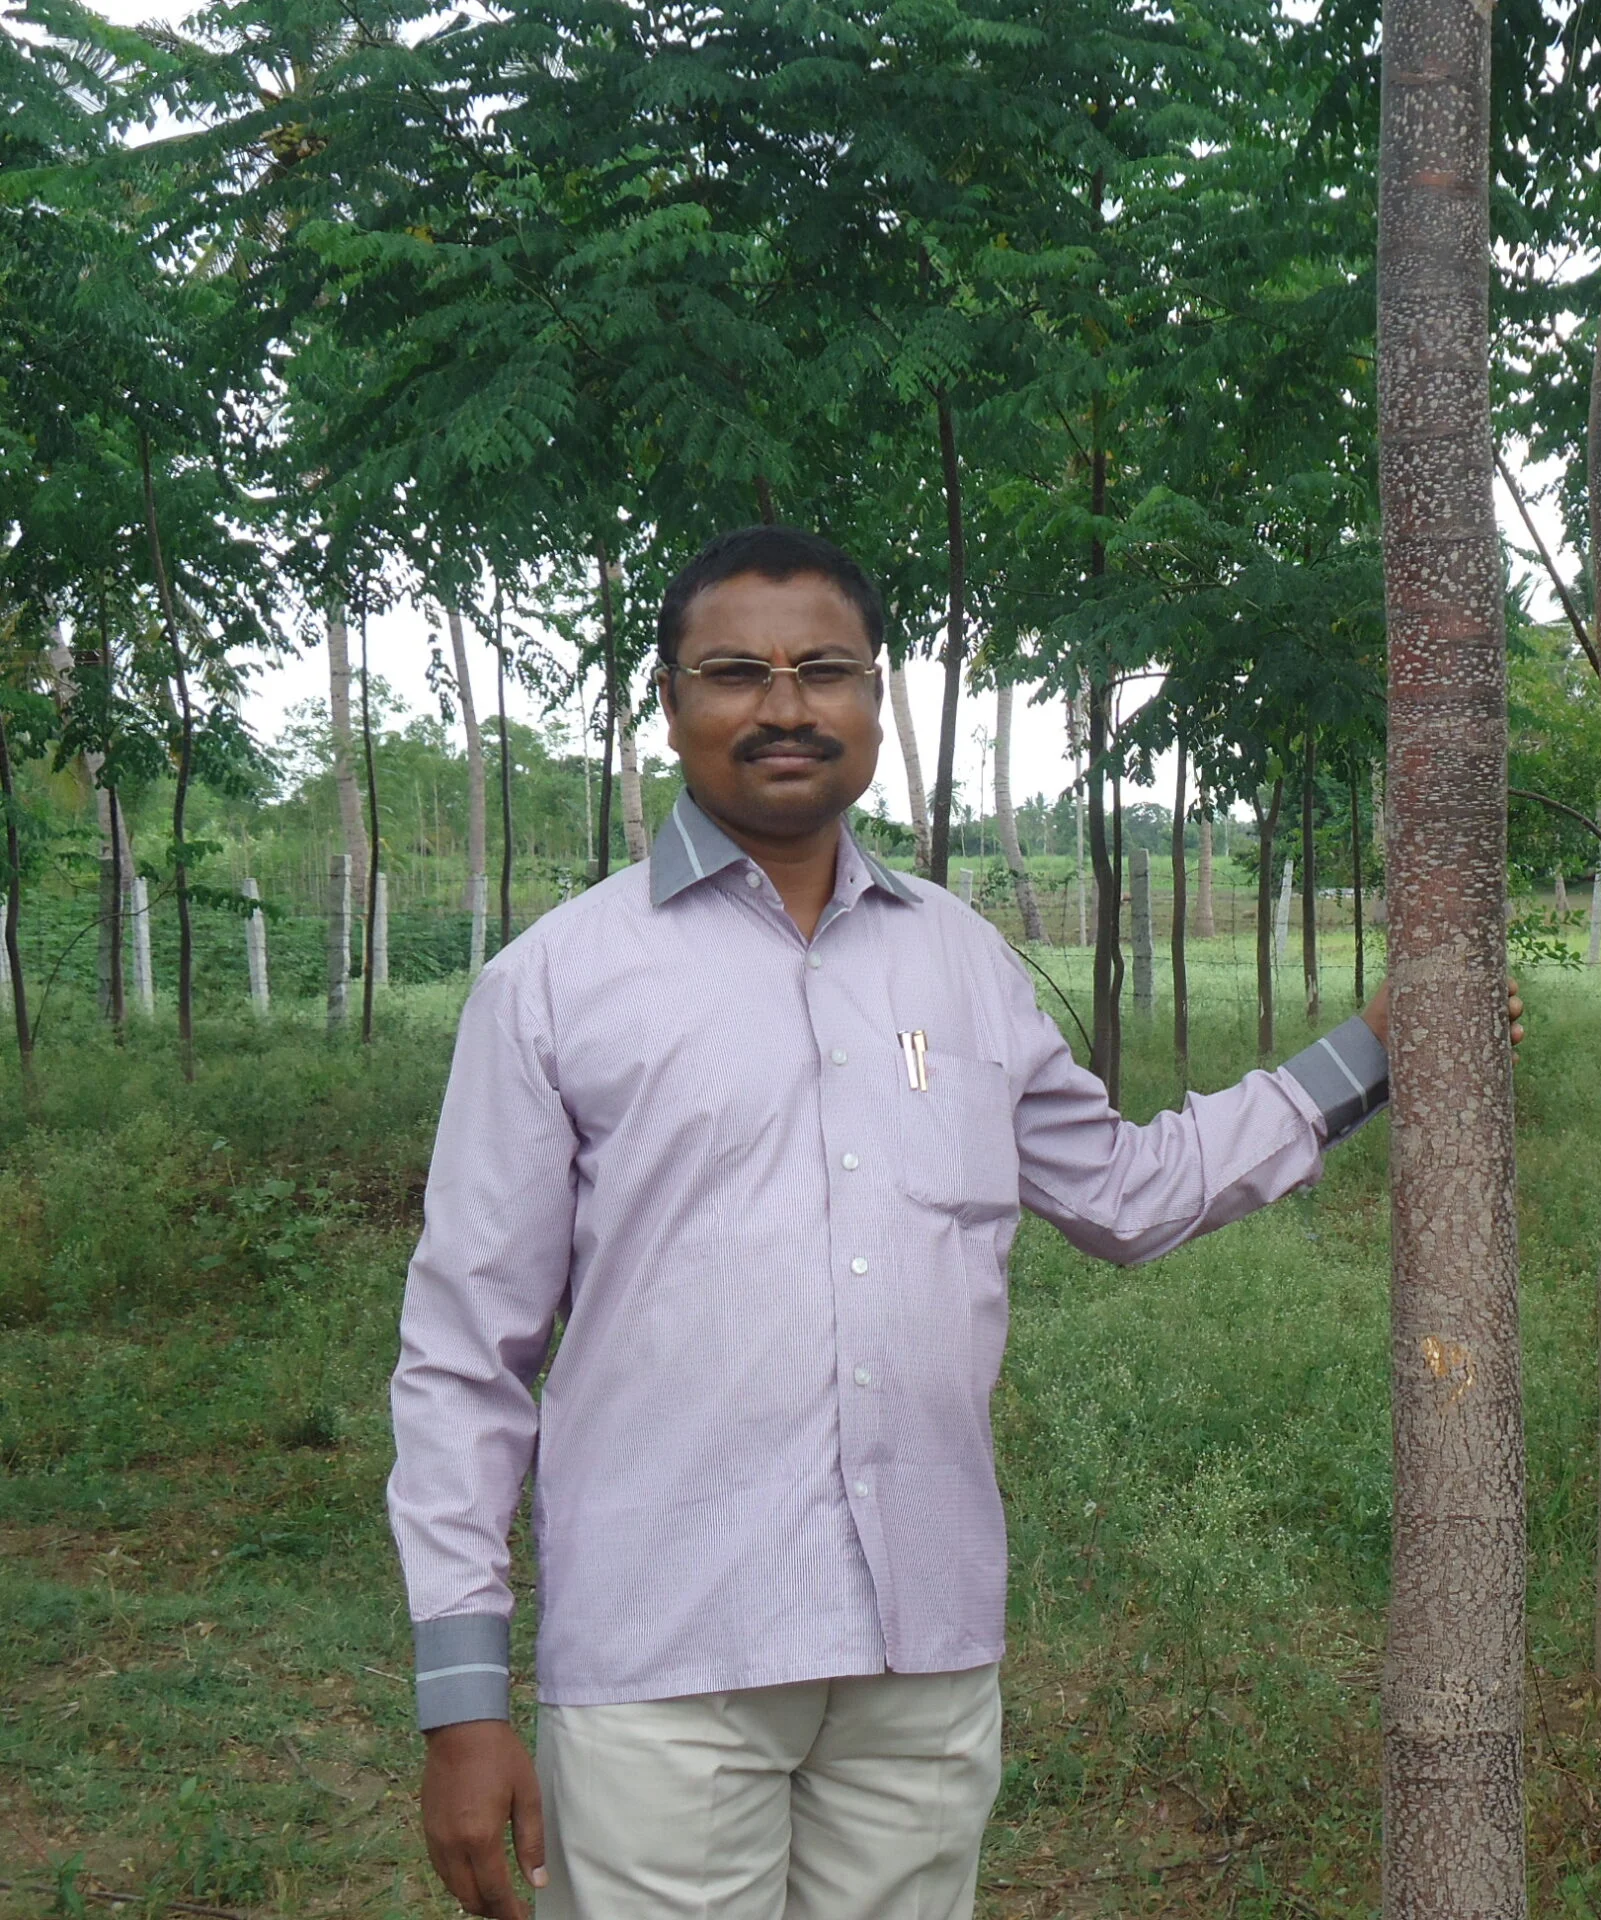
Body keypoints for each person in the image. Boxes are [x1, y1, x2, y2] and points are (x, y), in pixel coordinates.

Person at [388, 525, 1524, 1920]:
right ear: (670, 703)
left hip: (920, 1659)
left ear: (878, 702)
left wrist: (1370, 1053)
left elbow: (1120, 1188)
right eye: (736, 671)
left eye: (827, 670)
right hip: (665, 1657)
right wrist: (461, 1698)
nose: (786, 704)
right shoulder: (555, 984)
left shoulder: (959, 960)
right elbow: (464, 1357)